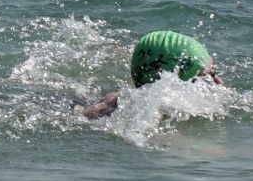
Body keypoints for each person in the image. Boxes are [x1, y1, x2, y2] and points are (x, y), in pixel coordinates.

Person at [82, 31, 224, 119]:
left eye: (212, 72)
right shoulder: (142, 116)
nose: (217, 81)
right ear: (170, 76)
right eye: (206, 74)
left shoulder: (121, 100)